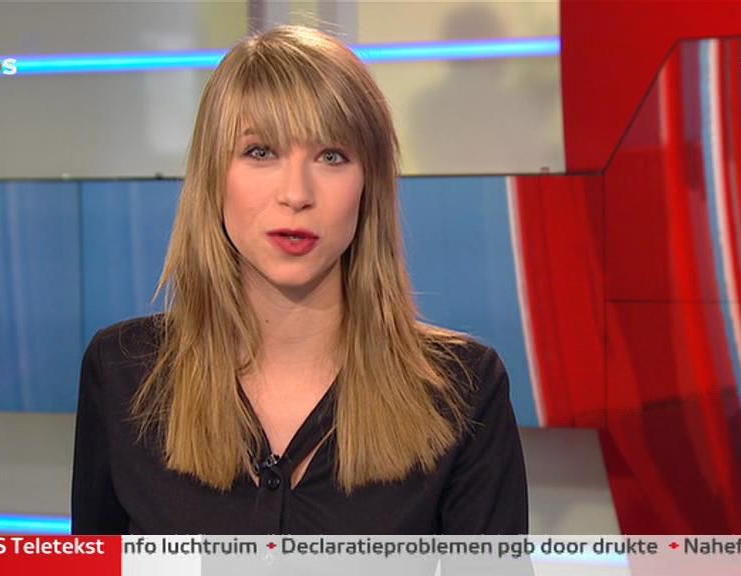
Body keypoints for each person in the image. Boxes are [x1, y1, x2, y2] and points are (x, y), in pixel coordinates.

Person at [71, 25, 528, 535]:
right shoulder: (123, 373)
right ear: (213, 175)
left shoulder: (464, 391)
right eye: (260, 152)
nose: (296, 193)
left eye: (331, 156)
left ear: (368, 186)